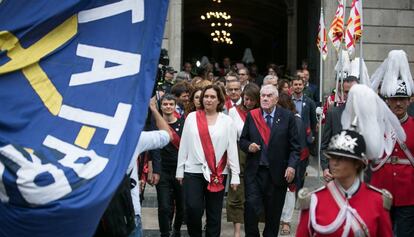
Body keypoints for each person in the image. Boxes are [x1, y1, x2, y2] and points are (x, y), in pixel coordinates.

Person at [296, 129, 393, 237]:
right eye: (332, 157)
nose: (334, 163)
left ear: (357, 163)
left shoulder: (377, 200)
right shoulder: (314, 200)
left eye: (341, 158)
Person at [176, 84, 240, 237]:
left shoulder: (227, 121)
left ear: (219, 100)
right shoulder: (192, 117)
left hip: (217, 172)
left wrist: (235, 175)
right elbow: (183, 144)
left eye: (212, 97)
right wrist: (180, 169)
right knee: (192, 209)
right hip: (193, 170)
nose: (208, 100)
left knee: (214, 214)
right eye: (206, 96)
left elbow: (232, 148)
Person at [239, 84, 300, 236]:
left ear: (276, 99)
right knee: (251, 209)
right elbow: (243, 141)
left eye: (269, 96)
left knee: (273, 216)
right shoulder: (252, 116)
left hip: (277, 175)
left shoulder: (287, 117)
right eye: (263, 96)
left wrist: (291, 166)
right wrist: (248, 146)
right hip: (255, 172)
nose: (265, 98)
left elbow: (295, 147)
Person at [369, 50, 414, 237]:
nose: (398, 104)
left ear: (409, 101)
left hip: (408, 193)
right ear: (387, 100)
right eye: (394, 99)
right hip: (380, 189)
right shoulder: (377, 125)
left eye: (402, 99)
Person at [226, 83, 260, 237]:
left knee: (255, 192)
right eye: (246, 99)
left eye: (252, 100)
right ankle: (237, 230)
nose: (248, 103)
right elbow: (230, 136)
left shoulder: (261, 113)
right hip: (239, 152)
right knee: (237, 191)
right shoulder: (233, 112)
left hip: (257, 154)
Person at [277, 93, 308, 235]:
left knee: (290, 191)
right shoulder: (276, 118)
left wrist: (294, 165)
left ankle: (286, 221)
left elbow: (299, 146)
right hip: (277, 161)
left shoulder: (296, 120)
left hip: (292, 161)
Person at [155, 94, 185, 237]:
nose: (168, 107)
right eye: (165, 104)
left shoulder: (183, 123)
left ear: (175, 106)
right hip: (162, 171)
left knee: (181, 205)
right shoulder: (155, 124)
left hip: (180, 171)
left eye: (171, 104)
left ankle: (177, 229)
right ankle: (164, 233)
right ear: (160, 106)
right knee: (164, 206)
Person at [320, 75, 358, 182]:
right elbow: (325, 145)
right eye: (346, 92)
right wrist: (325, 168)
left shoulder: (368, 115)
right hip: (337, 174)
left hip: (361, 174)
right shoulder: (333, 113)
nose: (349, 95)